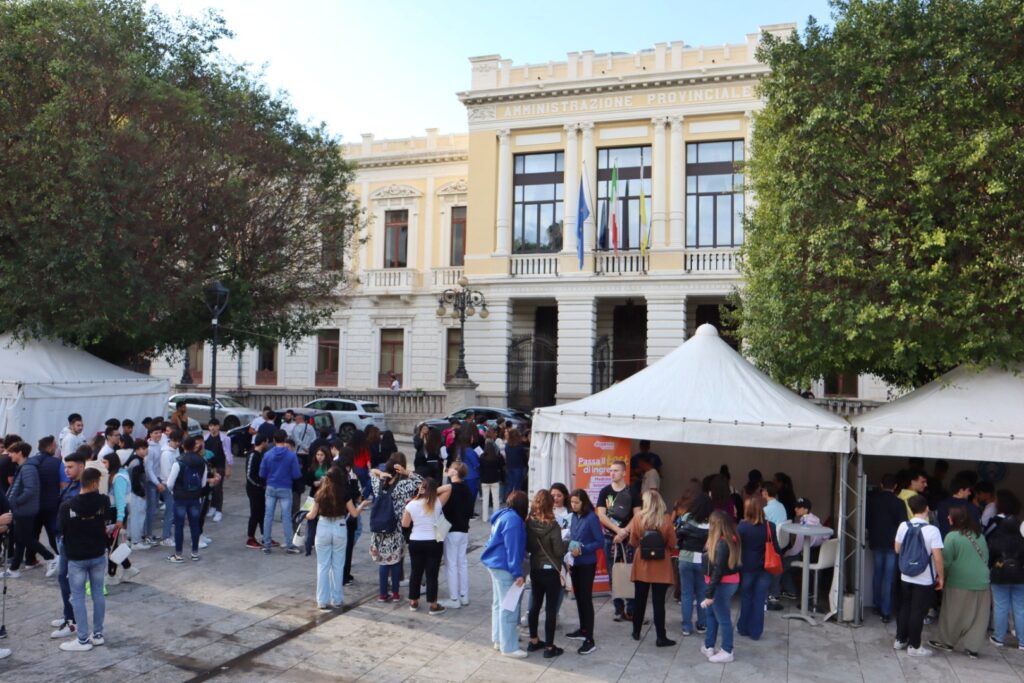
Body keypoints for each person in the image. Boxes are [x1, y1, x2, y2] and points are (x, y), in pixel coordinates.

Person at [927, 505, 989, 658]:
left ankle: (946, 642)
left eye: (949, 516)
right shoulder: (979, 535)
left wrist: (940, 577)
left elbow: (945, 561)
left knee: (952, 613)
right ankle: (972, 648)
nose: (947, 518)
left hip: (959, 581)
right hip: (982, 581)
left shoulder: (952, 536)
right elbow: (986, 557)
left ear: (954, 519)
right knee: (978, 617)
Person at [58, 467, 109, 651]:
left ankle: (82, 639)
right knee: (97, 593)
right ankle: (97, 634)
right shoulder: (103, 501)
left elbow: (61, 531)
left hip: (76, 557)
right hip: (97, 554)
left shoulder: (67, 506)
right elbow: (107, 520)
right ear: (95, 482)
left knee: (78, 597)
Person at [306, 466, 366, 609]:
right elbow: (354, 513)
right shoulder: (344, 493)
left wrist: (305, 514)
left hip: (323, 527)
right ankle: (337, 599)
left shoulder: (320, 493)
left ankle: (322, 600)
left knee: (323, 565)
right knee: (338, 565)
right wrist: (362, 505)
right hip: (339, 526)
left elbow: (312, 515)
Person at [894, 494, 944, 656]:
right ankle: (914, 646)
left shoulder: (903, 525)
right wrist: (941, 577)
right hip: (924, 578)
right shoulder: (932, 530)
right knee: (918, 611)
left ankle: (900, 640)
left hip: (906, 575)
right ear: (927, 508)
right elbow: (937, 557)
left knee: (905, 607)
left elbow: (897, 549)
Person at [481, 490, 528, 658]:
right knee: (509, 607)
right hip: (504, 567)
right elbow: (513, 550)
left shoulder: (503, 515)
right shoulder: (514, 521)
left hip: (494, 564)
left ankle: (499, 639)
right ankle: (509, 647)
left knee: (498, 604)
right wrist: (518, 573)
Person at [369, 453, 422, 602]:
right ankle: (396, 593)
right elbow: (422, 483)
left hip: (379, 530)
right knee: (396, 561)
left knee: (383, 563)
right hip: (396, 529)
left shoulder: (378, 483)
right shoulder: (402, 486)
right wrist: (407, 473)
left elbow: (371, 471)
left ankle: (382, 594)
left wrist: (380, 473)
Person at [627, 490, 677, 647]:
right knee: (659, 603)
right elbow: (672, 543)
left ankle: (636, 631)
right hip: (661, 566)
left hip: (642, 564)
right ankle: (661, 637)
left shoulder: (638, 517)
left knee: (639, 600)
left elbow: (633, 541)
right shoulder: (667, 519)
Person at [525, 489, 568, 658]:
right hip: (551, 572)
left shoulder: (529, 522)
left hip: (535, 569)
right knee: (550, 609)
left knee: (534, 606)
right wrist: (567, 544)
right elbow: (558, 551)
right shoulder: (553, 525)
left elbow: (529, 547)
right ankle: (549, 647)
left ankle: (534, 641)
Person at [49, 449, 86, 640]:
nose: (67, 470)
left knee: (67, 580)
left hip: (70, 541)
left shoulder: (82, 488)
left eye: (70, 467)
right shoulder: (72, 483)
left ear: (81, 466)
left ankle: (72, 621)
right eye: (65, 467)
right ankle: (68, 615)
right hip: (63, 538)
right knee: (63, 578)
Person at [596, 460, 639, 621]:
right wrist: (617, 531)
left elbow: (638, 515)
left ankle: (631, 608)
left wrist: (624, 531)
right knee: (613, 572)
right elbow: (601, 514)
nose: (612, 473)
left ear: (623, 473)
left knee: (628, 572)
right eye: (610, 470)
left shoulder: (632, 492)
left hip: (628, 539)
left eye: (615, 470)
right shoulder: (604, 491)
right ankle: (618, 607)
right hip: (610, 538)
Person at [402, 477, 451, 614]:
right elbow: (448, 488)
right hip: (433, 542)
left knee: (415, 572)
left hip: (416, 541)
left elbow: (405, 524)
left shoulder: (411, 505)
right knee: (432, 574)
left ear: (421, 489)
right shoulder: (436, 502)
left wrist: (421, 492)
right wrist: (432, 492)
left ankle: (413, 601)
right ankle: (433, 605)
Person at [735, 496, 780, 641]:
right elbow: (777, 548)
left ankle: (743, 627)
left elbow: (736, 547)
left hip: (747, 566)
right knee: (760, 599)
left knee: (746, 596)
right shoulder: (770, 526)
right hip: (765, 566)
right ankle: (756, 632)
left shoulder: (742, 526)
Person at [6, 441, 55, 571]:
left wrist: (16, 501)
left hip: (25, 510)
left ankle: (50, 557)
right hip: (23, 509)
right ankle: (14, 569)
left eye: (11, 452)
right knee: (20, 539)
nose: (9, 455)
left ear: (20, 453)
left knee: (26, 538)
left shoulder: (28, 468)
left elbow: (30, 489)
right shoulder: (25, 467)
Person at [700, 510, 741, 663]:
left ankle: (727, 650)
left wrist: (709, 594)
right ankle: (709, 646)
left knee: (723, 617)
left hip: (721, 585)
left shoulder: (722, 543)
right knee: (711, 614)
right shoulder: (728, 540)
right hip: (722, 583)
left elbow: (717, 571)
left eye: (710, 523)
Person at [566, 488, 602, 655]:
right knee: (579, 597)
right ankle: (583, 629)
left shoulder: (592, 517)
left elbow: (599, 542)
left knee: (586, 599)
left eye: (576, 503)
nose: (573, 505)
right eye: (572, 502)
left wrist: (584, 549)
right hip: (575, 563)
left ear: (584, 502)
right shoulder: (573, 516)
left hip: (587, 563)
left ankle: (590, 639)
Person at [866, 474, 906, 623]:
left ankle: (876, 605)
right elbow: (903, 524)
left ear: (881, 485)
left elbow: (867, 521)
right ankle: (886, 612)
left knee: (877, 574)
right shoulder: (899, 503)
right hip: (892, 543)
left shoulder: (872, 500)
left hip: (876, 541)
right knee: (889, 578)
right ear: (895, 486)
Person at [987, 490, 1024, 648]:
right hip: (1020, 576)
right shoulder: (1022, 540)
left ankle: (999, 638)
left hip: (1000, 575)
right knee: (1021, 608)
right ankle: (1023, 642)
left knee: (1001, 606)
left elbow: (990, 558)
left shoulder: (996, 538)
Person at [166, 436, 209, 563]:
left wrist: (174, 491)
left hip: (180, 497)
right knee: (194, 525)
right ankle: (194, 553)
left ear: (183, 446)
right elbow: (203, 483)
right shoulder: (202, 461)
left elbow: (169, 483)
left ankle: (178, 555)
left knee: (179, 525)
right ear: (194, 446)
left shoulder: (179, 462)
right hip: (195, 497)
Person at [259, 430, 302, 554]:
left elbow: (262, 473)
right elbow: (296, 474)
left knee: (268, 516)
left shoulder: (267, 454)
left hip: (271, 486)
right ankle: (289, 544)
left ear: (274, 439)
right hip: (285, 487)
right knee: (286, 517)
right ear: (286, 438)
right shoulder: (291, 455)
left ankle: (267, 544)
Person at [677, 493, 712, 636]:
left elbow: (677, 534)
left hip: (685, 558)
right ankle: (702, 625)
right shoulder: (712, 522)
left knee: (686, 595)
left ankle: (686, 627)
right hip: (702, 561)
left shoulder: (686, 518)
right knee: (702, 594)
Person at [780, 498, 827, 598]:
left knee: (780, 565)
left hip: (805, 556)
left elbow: (797, 548)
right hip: (816, 555)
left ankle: (784, 592)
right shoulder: (816, 520)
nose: (795, 509)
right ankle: (794, 591)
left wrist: (786, 553)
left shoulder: (805, 524)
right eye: (795, 506)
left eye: (799, 507)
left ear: (806, 510)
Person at [441, 462, 473, 609]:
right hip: (463, 530)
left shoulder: (450, 488)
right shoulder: (467, 488)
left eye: (451, 468)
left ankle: (454, 598)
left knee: (451, 564)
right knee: (462, 563)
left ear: (455, 472)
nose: (448, 470)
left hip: (452, 530)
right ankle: (464, 595)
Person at [101, 452, 136, 581]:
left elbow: (120, 500)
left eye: (105, 462)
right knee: (111, 544)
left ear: (111, 463)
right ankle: (128, 568)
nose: (102, 464)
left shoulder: (119, 477)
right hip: (113, 511)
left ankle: (112, 575)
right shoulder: (115, 475)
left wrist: (119, 519)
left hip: (116, 512)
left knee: (111, 544)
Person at [33, 435, 62, 576]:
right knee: (53, 533)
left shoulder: (31, 462)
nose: (56, 448)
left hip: (34, 505)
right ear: (50, 447)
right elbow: (63, 485)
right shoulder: (57, 463)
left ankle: (30, 559)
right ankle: (59, 557)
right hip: (52, 504)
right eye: (55, 446)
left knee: (33, 534)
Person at [302, 446, 331, 555]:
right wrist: (316, 483)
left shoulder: (329, 466)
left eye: (321, 455)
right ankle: (308, 546)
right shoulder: (313, 466)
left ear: (326, 456)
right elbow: (308, 479)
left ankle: (321, 544)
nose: (319, 457)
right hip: (313, 496)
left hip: (326, 496)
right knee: (311, 521)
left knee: (323, 521)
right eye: (318, 455)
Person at [203, 418, 233, 523]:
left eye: (214, 426)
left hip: (220, 466)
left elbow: (228, 454)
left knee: (218, 488)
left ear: (218, 427)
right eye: (210, 426)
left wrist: (229, 468)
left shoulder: (225, 439)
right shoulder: (205, 438)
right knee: (210, 488)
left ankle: (219, 510)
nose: (212, 428)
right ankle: (212, 507)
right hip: (209, 466)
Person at [157, 430, 182, 546]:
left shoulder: (175, 451)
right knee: (170, 512)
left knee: (171, 512)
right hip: (168, 485)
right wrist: (172, 488)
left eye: (179, 442)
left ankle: (168, 535)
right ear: (171, 440)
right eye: (176, 441)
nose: (177, 444)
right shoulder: (166, 454)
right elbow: (167, 473)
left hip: (173, 485)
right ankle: (165, 537)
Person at [244, 435, 270, 549]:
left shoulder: (260, 455)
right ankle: (250, 538)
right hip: (253, 489)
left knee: (262, 512)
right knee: (255, 513)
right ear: (263, 442)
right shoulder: (253, 455)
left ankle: (265, 536)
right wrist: (259, 484)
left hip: (260, 488)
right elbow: (249, 475)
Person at [478, 438, 504, 522]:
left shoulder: (482, 457)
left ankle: (485, 518)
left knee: (485, 500)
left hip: (484, 480)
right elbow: (501, 466)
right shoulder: (497, 457)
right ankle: (496, 517)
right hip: (495, 480)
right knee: (495, 499)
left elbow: (480, 468)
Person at [503, 428, 528, 494]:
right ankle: (516, 500)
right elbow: (524, 457)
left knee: (510, 485)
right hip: (519, 467)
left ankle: (508, 499)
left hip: (509, 467)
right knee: (518, 485)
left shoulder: (507, 446)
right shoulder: (520, 446)